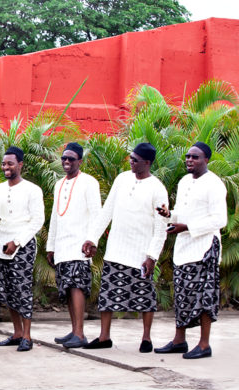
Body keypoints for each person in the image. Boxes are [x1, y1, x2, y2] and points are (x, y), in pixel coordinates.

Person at [82, 143, 168, 353]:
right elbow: (106, 212)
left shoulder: (158, 189)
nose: (131, 161)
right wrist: (92, 238)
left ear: (147, 163)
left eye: (135, 159)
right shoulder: (122, 179)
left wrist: (152, 256)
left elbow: (161, 228)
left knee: (145, 297)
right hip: (116, 250)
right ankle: (104, 337)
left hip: (140, 254)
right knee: (108, 295)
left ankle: (146, 338)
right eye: (131, 158)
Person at [154, 142, 227, 359]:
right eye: (187, 156)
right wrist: (170, 214)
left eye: (195, 157)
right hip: (184, 247)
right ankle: (179, 340)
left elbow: (219, 219)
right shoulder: (185, 181)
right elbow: (186, 213)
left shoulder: (214, 184)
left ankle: (204, 345)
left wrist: (186, 227)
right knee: (183, 294)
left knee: (204, 296)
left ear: (206, 160)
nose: (189, 160)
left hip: (205, 247)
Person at [46, 143, 101, 348]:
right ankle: (74, 331)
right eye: (64, 158)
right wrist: (51, 246)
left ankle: (80, 333)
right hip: (62, 246)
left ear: (80, 161)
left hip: (80, 246)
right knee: (67, 289)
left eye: (71, 159)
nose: (66, 162)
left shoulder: (89, 182)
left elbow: (97, 214)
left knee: (77, 287)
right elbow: (54, 217)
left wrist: (92, 240)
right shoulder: (59, 183)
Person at [0, 146, 44, 352]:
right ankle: (16, 333)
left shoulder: (32, 189)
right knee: (8, 291)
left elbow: (37, 220)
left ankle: (27, 336)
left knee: (22, 290)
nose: (6, 167)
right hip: (1, 245)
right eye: (4, 163)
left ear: (20, 165)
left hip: (23, 245)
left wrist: (17, 241)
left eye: (10, 163)